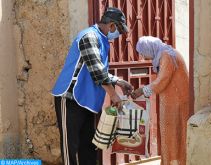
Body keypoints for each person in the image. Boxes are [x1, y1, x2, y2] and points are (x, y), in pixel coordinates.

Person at [51, 7, 133, 165]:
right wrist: (113, 95)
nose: (117, 36)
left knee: (87, 146)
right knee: (70, 146)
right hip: (70, 98)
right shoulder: (89, 36)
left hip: (86, 101)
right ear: (111, 26)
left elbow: (96, 69)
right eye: (119, 31)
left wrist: (119, 81)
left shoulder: (101, 38)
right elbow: (97, 71)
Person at [131, 36, 189, 165]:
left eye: (142, 52)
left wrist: (142, 90)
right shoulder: (166, 53)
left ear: (149, 48)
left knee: (172, 134)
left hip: (175, 101)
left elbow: (162, 80)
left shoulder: (166, 56)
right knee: (175, 134)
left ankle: (173, 162)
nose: (143, 56)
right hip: (174, 99)